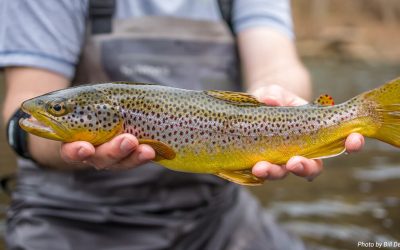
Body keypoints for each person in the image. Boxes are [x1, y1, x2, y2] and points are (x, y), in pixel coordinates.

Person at [1, 0, 364, 249]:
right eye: (62, 110)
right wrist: (64, 146)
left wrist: (279, 97)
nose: (56, 113)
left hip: (215, 214)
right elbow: (26, 104)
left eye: (62, 111)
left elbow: (277, 65)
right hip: (70, 219)